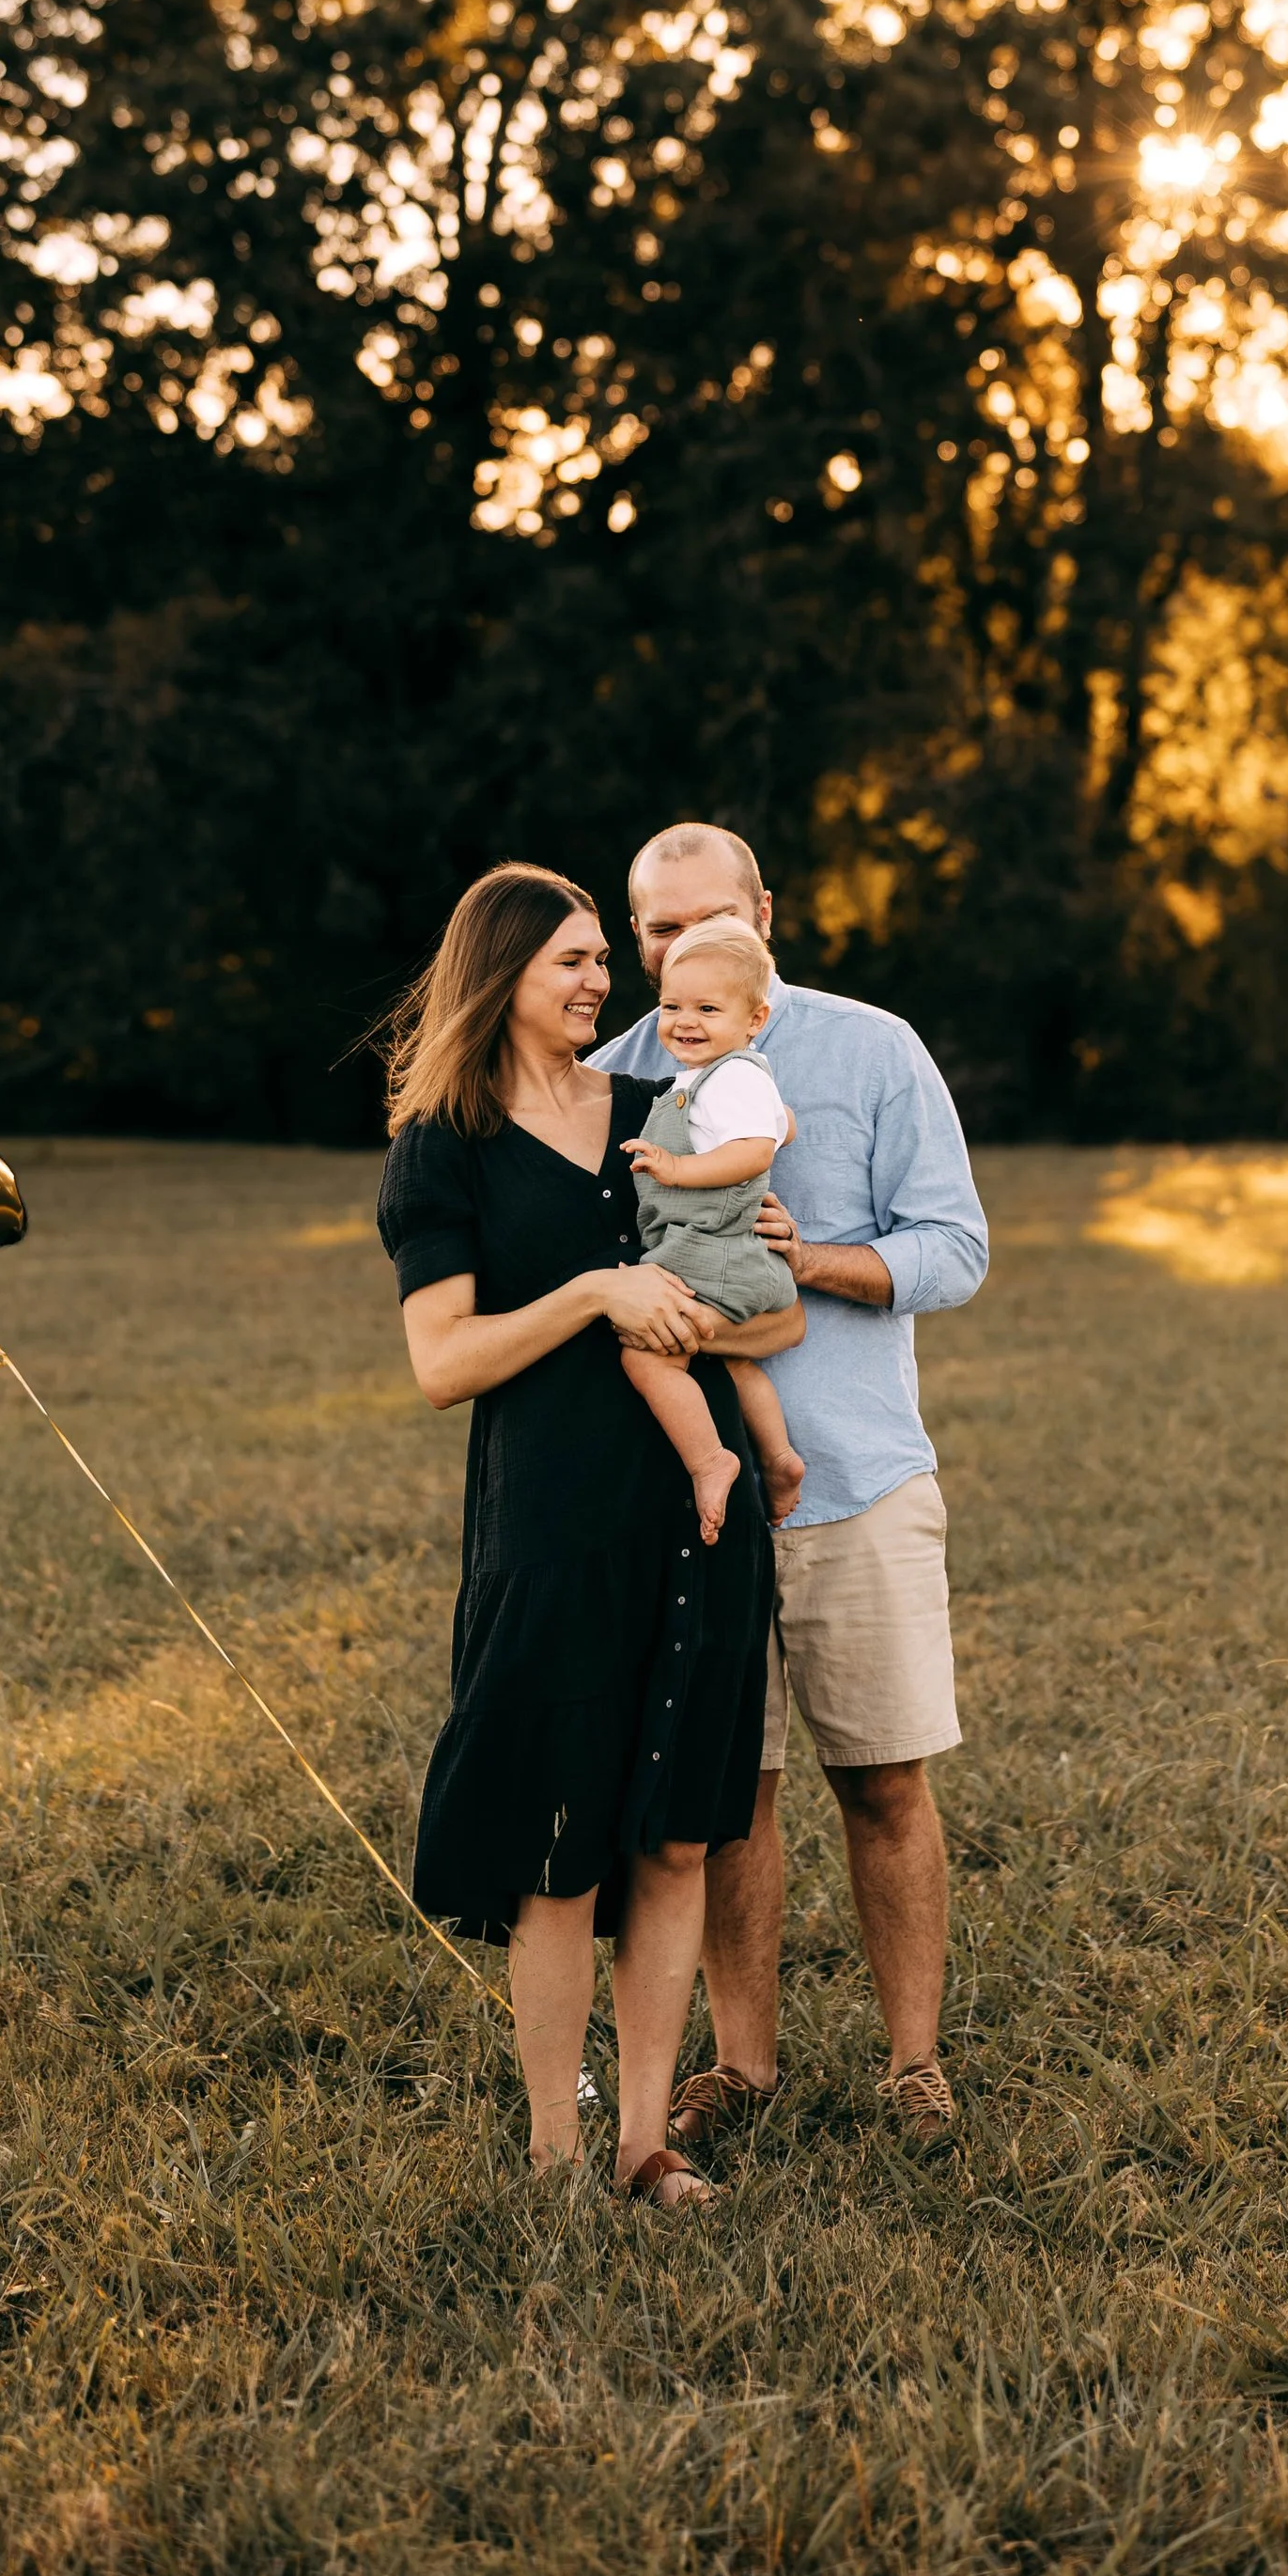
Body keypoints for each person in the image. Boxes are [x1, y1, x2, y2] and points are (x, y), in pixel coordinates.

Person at [375, 862, 804, 2209]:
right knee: (561, 1848)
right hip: (555, 1526)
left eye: (597, 961)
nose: (600, 979)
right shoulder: (444, 1143)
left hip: (698, 1515)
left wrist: (720, 1298)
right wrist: (594, 1292)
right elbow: (444, 1362)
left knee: (675, 1832)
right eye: (572, 959)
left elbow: (774, 1315)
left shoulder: (657, 1113)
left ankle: (643, 2141)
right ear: (499, 974)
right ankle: (559, 2159)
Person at [592, 822, 988, 2149]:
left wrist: (806, 1259)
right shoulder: (602, 1080)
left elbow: (955, 1247)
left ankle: (914, 2064)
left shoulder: (872, 1047)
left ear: (768, 913)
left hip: (859, 1478)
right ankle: (743, 2065)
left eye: (712, 920)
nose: (681, 949)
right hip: (680, 1496)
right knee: (725, 1796)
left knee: (882, 1779)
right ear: (634, 933)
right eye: (655, 930)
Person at [617, 916, 810, 1549]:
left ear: (753, 1021)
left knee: (646, 1354)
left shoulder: (733, 1077)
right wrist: (780, 1123)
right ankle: (778, 1456)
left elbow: (755, 1149)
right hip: (726, 1255)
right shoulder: (710, 1079)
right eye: (671, 1005)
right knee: (733, 1359)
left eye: (706, 1007)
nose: (684, 1020)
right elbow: (780, 1125)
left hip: (713, 1251)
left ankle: (712, 1460)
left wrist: (678, 1168)